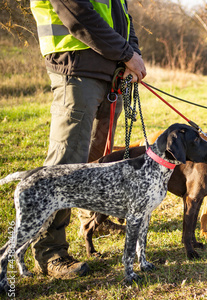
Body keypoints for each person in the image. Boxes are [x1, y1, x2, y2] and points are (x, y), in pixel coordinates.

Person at [30, 0, 146, 278]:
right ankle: (49, 251)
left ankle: (94, 219)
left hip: (110, 74)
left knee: (96, 161)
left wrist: (132, 55)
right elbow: (76, 13)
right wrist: (126, 54)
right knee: (66, 164)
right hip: (76, 69)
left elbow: (123, 20)